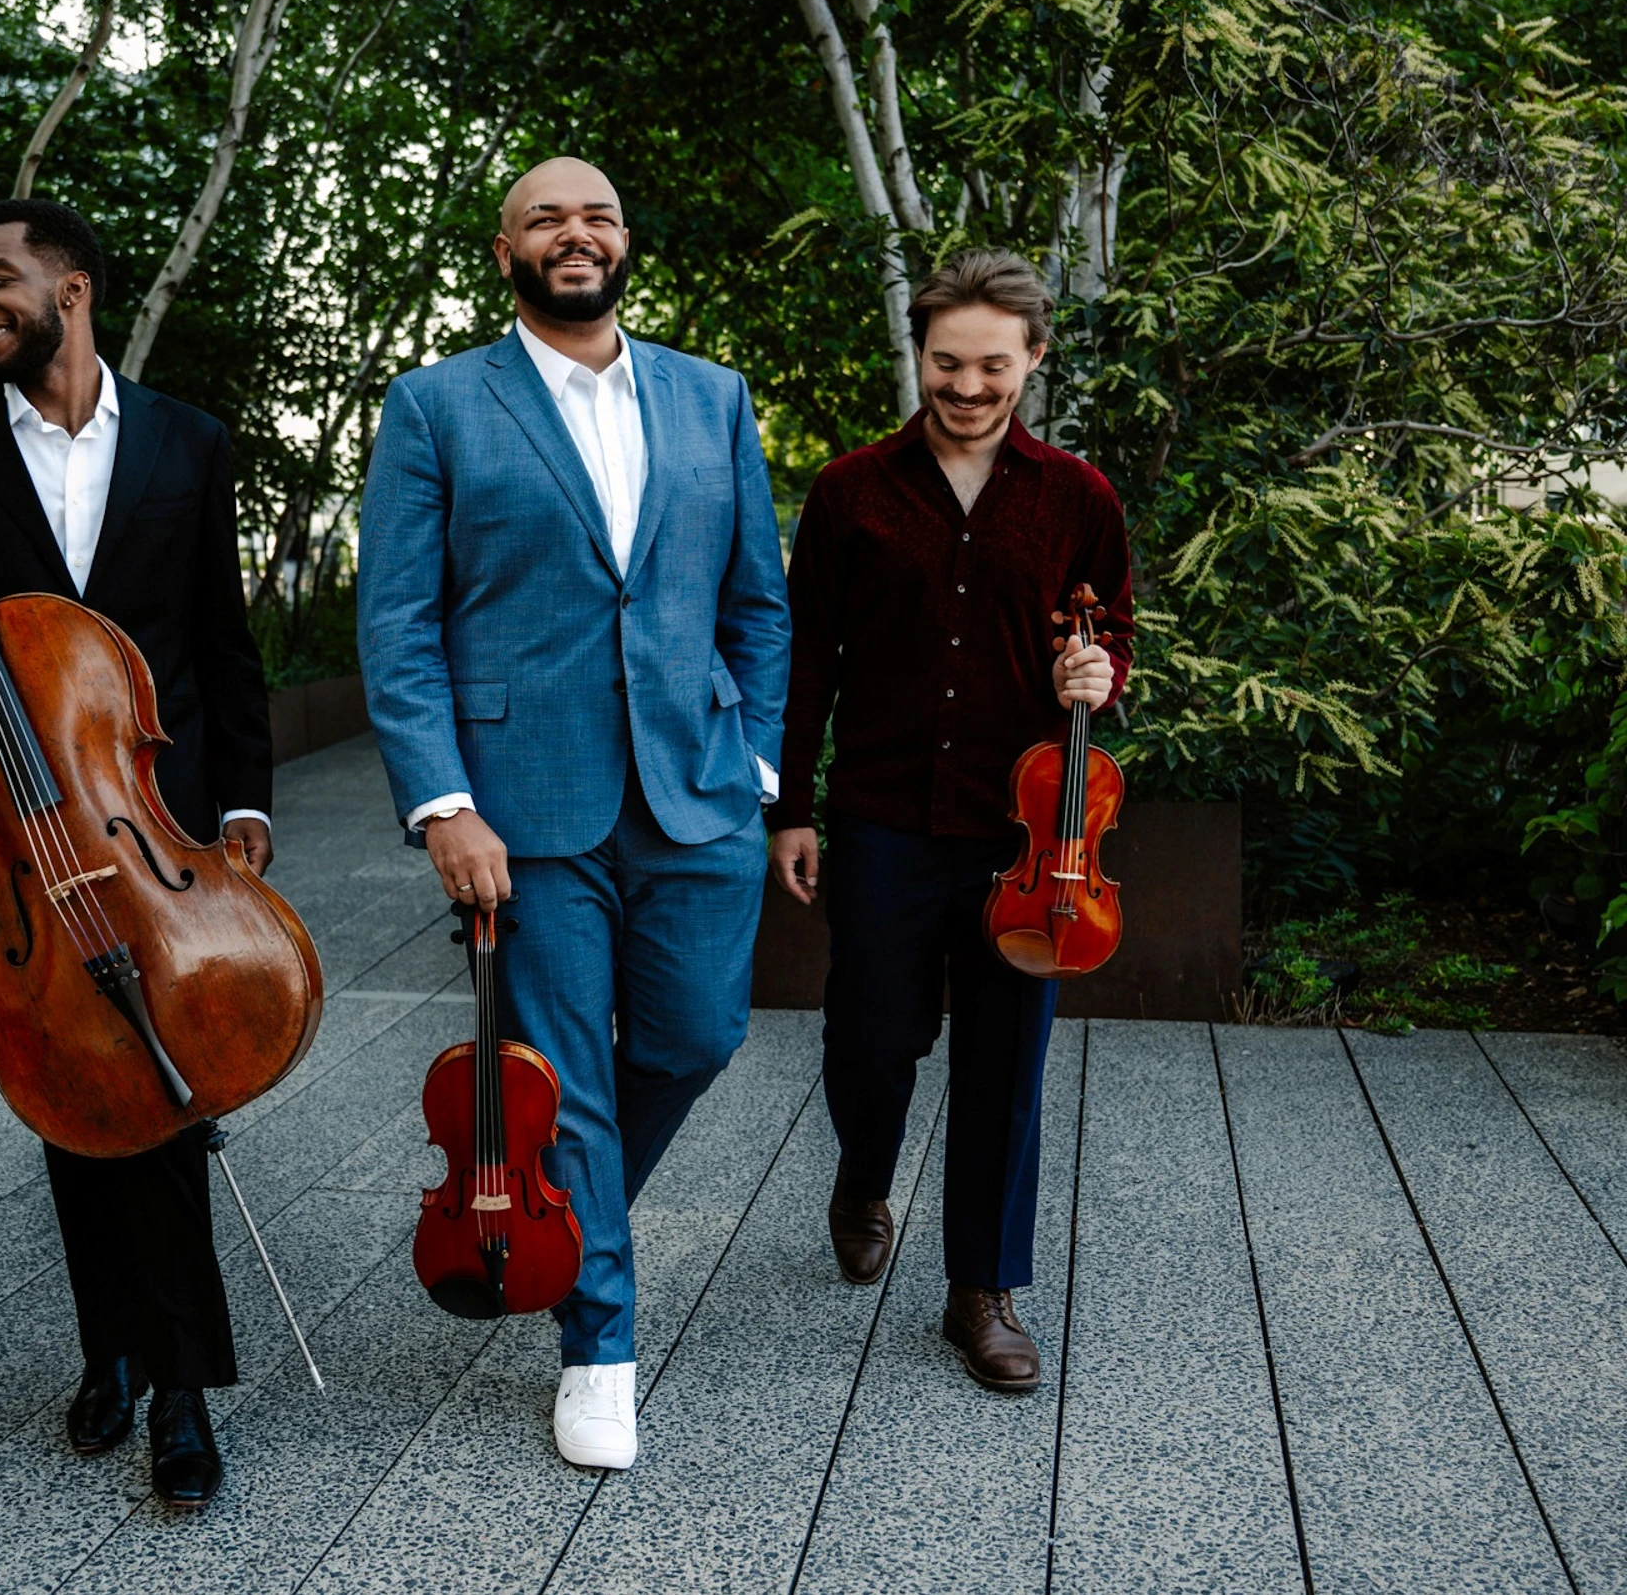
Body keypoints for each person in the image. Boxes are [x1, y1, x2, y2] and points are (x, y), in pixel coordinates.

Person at [358, 156, 791, 1471]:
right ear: (507, 251)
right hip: (522, 808)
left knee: (698, 1034)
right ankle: (599, 1342)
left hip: (698, 794)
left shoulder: (711, 397)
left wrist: (758, 769)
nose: (577, 232)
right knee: (569, 1076)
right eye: (546, 216)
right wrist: (443, 803)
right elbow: (400, 621)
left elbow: (757, 602)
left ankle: (561, 1204)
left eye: (598, 211)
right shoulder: (436, 406)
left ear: (623, 238)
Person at [0, 198, 273, 1512]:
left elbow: (222, 644)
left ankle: (175, 1383)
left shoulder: (187, 438)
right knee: (73, 1095)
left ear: (75, 285)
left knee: (164, 1096)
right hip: (30, 838)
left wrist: (246, 807)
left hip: (154, 820)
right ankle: (109, 1344)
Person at [768, 248, 1132, 1393]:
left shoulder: (1077, 495)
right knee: (867, 1042)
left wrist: (1098, 671)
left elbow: (1111, 632)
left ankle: (982, 1287)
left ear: (1030, 358)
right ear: (916, 354)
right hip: (879, 814)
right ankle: (862, 1173)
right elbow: (806, 659)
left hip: (1028, 835)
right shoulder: (850, 491)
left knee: (1003, 1061)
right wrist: (792, 805)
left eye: (991, 365)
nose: (966, 387)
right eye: (944, 363)